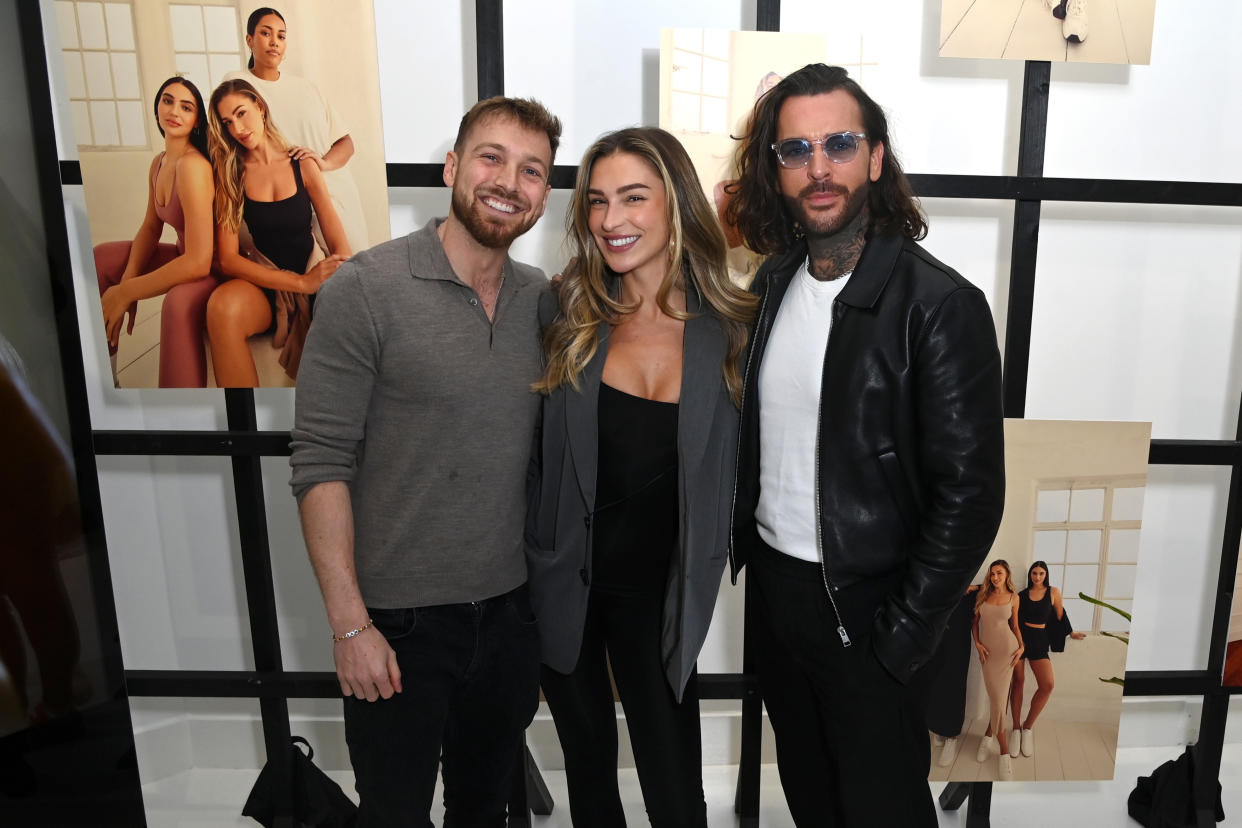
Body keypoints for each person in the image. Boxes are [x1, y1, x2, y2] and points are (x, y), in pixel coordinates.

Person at [725, 63, 1006, 826]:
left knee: (882, 809)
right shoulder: (771, 287)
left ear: (875, 158)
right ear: (776, 169)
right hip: (780, 602)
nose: (819, 168)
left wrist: (904, 637)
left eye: (840, 144)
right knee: (813, 801)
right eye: (796, 150)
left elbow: (972, 495)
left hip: (874, 609)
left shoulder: (939, 304)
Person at [289, 96, 561, 826]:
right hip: (396, 626)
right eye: (491, 158)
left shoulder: (546, 303)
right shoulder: (365, 290)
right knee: (394, 814)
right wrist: (351, 627)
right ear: (452, 167)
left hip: (508, 618)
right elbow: (319, 463)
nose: (509, 181)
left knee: (484, 811)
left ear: (544, 193)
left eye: (531, 169)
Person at [527, 127, 757, 827]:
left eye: (633, 197)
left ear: (677, 204)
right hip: (563, 583)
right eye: (597, 202)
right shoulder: (566, 313)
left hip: (660, 598)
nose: (611, 220)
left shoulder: (737, 330)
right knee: (590, 782)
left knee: (675, 791)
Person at [207, 78, 350, 387]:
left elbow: (341, 247)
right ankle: (247, 428)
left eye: (242, 113)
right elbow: (229, 260)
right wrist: (300, 283)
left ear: (260, 106)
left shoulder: (301, 164)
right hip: (266, 281)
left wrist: (319, 280)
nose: (238, 128)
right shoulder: (231, 174)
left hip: (313, 271)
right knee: (221, 308)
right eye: (227, 122)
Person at [93, 76, 217, 387]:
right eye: (167, 100)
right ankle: (107, 379)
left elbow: (200, 260)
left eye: (186, 107)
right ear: (157, 107)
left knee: (176, 302)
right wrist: (128, 278)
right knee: (102, 259)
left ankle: (182, 416)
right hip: (182, 254)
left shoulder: (193, 166)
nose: (174, 110)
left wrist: (127, 291)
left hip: (213, 268)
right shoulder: (159, 162)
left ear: (197, 120)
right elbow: (151, 227)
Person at [225, 7, 371, 252]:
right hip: (288, 202)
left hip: (334, 190)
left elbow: (346, 143)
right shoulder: (239, 85)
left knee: (352, 268)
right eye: (266, 33)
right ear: (249, 40)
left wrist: (323, 164)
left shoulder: (307, 88)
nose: (274, 42)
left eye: (281, 36)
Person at [1008, 559, 1085, 758]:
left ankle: (1027, 727)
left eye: (1041, 573)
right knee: (1018, 682)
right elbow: (1013, 620)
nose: (1038, 577)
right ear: (1030, 575)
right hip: (1020, 639)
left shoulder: (1053, 592)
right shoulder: (1021, 595)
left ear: (1046, 574)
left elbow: (1060, 615)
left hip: (1040, 640)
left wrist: (1070, 633)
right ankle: (1015, 729)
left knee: (1048, 685)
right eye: (1034, 573)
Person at [971, 560, 1024, 779]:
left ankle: (999, 749)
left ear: (1007, 574)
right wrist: (977, 644)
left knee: (998, 701)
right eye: (992, 574)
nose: (995, 577)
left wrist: (1022, 646)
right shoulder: (982, 596)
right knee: (996, 700)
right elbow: (975, 624)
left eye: (999, 573)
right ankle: (993, 740)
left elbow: (1015, 626)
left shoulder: (1014, 598)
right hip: (988, 654)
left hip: (1008, 652)